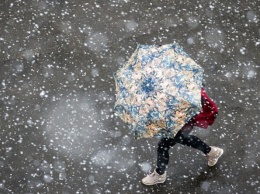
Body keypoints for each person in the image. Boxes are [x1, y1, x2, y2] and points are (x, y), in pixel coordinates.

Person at [141, 88, 223, 185]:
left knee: (164, 145)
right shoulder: (177, 83)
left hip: (181, 121)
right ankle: (211, 152)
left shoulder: (187, 89)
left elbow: (194, 105)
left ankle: (160, 174)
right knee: (180, 140)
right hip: (176, 119)